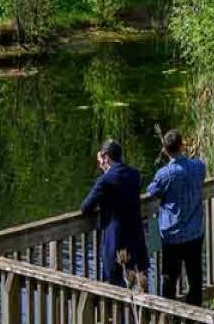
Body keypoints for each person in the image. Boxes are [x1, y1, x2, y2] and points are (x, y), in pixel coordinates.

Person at [147, 130, 207, 307]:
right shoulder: (199, 166)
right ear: (182, 146)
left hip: (172, 235)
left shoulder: (164, 174)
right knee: (195, 277)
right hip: (195, 232)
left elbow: (152, 191)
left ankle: (169, 319)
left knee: (170, 279)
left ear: (165, 150)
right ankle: (196, 318)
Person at [82, 139, 149, 289]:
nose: (99, 163)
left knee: (114, 287)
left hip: (116, 241)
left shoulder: (105, 180)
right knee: (138, 285)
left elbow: (85, 207)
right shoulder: (135, 175)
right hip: (136, 237)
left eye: (100, 159)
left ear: (106, 157)